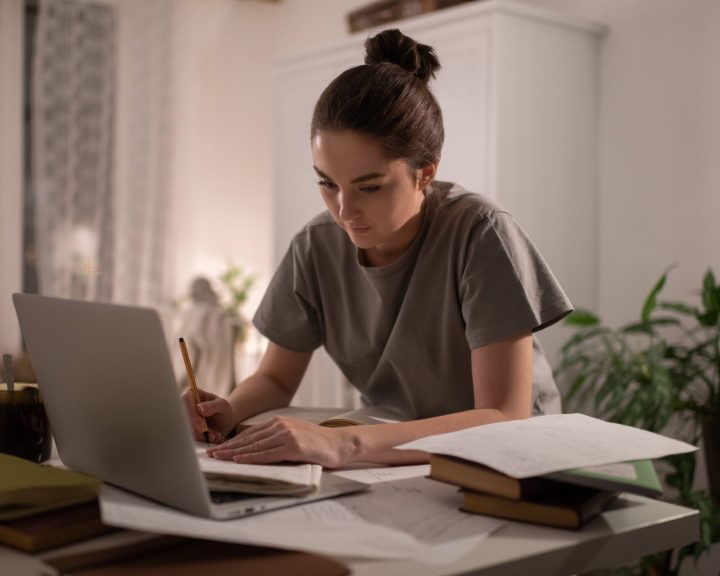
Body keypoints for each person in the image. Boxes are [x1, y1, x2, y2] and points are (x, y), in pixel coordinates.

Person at [184, 29, 573, 468]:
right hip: (392, 455)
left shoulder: (480, 233)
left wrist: (343, 444)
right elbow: (275, 377)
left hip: (508, 463)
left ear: (425, 173)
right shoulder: (315, 246)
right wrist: (227, 410)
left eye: (369, 187)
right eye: (327, 183)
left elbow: (504, 416)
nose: (344, 210)